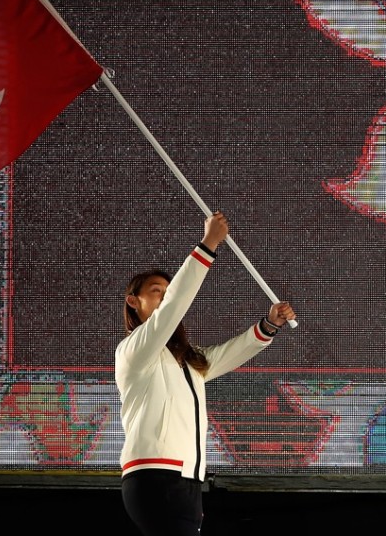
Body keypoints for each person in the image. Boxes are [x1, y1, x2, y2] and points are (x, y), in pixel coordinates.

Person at [116, 210, 296, 536]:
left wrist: (269, 325)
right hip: (155, 476)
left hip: (187, 481)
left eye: (169, 289)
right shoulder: (134, 350)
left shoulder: (187, 361)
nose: (167, 295)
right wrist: (209, 244)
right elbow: (173, 307)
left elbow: (230, 354)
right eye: (158, 290)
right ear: (133, 302)